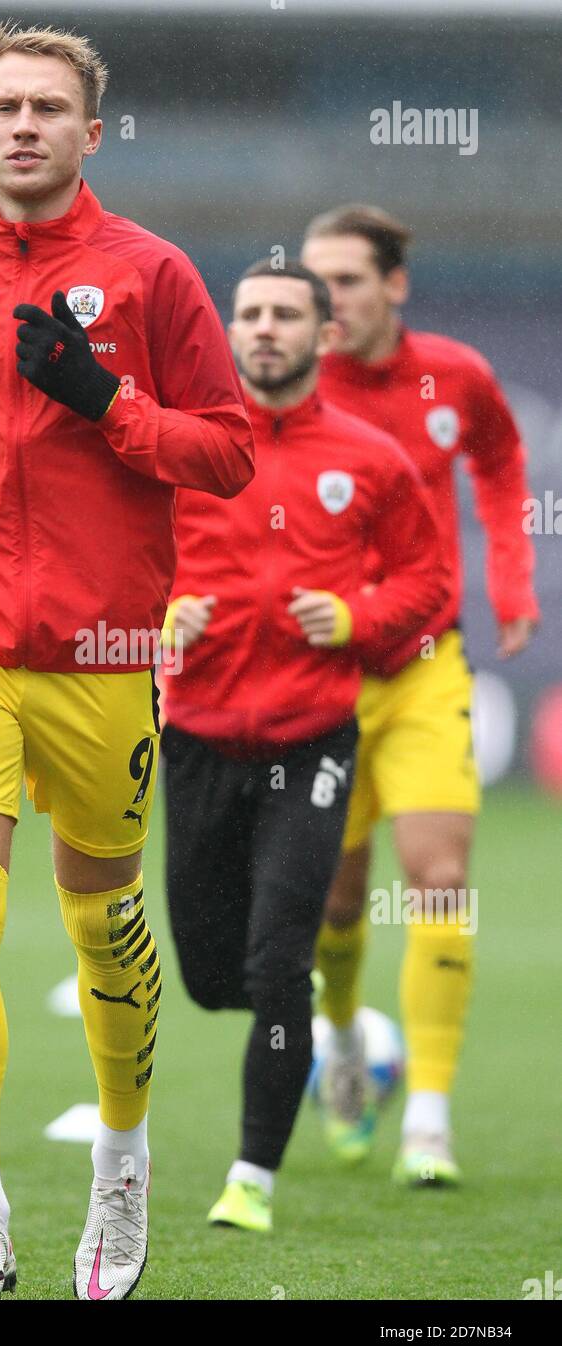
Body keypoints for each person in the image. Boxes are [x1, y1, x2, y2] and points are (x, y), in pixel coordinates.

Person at [0, 21, 253, 1300]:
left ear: (91, 133)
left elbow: (229, 451)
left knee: (103, 923)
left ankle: (122, 1162)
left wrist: (108, 404)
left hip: (101, 654)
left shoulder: (151, 275)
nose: (23, 125)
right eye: (3, 106)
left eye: (48, 108)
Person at [160, 260, 447, 1233]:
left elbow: (428, 584)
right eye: (248, 314)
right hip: (196, 737)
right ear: (228, 332)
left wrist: (357, 615)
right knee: (210, 975)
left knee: (279, 957)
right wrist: (157, 615)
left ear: (323, 336)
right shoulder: (184, 448)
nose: (264, 328)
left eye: (285, 313)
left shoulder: (369, 458)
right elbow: (114, 558)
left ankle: (251, 1178)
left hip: (312, 740)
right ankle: (353, 1043)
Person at [302, 205, 539, 1184]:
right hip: (314, 682)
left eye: (347, 283)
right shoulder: (283, 382)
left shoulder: (455, 376)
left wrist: (512, 580)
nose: (326, 305)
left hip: (422, 667)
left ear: (393, 284)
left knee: (437, 879)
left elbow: (497, 459)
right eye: (312, 286)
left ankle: (429, 1120)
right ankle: (345, 1048)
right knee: (336, 907)